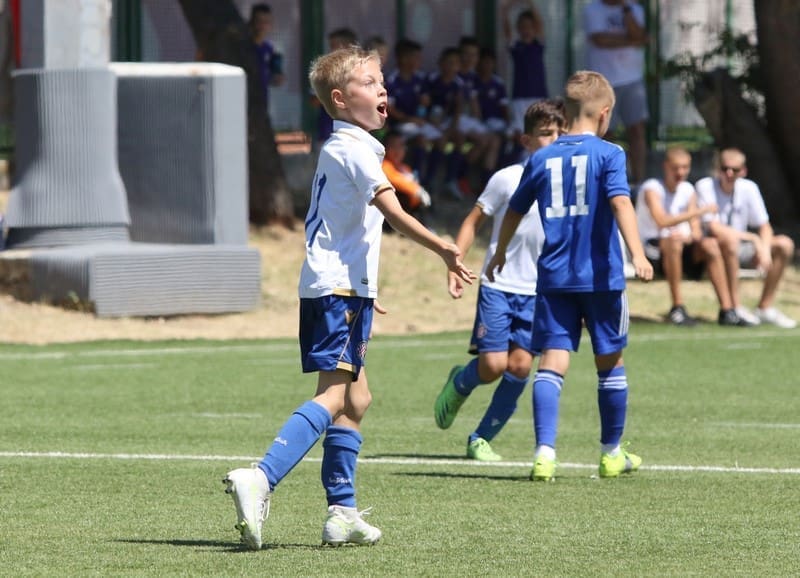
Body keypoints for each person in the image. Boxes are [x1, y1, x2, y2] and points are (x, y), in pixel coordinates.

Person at [223, 45, 476, 551]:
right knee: (335, 395)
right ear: (340, 99)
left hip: (343, 288)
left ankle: (341, 512)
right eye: (369, 82)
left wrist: (365, 289)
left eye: (382, 81)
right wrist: (444, 248)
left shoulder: (347, 148)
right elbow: (394, 212)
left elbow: (341, 227)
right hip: (337, 289)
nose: (383, 89)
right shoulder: (354, 149)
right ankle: (261, 476)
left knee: (357, 398)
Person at [485, 70, 654, 481]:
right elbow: (621, 203)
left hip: (554, 278)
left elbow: (514, 210)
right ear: (605, 113)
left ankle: (544, 454)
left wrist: (500, 251)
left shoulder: (542, 157)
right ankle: (611, 453)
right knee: (609, 362)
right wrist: (638, 253)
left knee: (551, 361)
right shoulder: (610, 154)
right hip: (601, 277)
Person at [433, 99, 565, 462]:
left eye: (558, 134)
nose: (552, 141)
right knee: (493, 366)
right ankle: (460, 382)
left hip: (539, 291)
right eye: (545, 134)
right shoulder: (507, 178)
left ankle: (480, 439)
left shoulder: (566, 184)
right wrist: (455, 262)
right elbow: (473, 221)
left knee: (520, 366)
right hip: (499, 284)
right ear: (526, 140)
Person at [695, 148, 797, 328]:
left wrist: (764, 249)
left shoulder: (749, 188)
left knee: (784, 244)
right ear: (718, 169)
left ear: (743, 171)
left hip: (740, 246)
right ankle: (735, 307)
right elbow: (715, 228)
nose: (729, 173)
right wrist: (753, 239)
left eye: (734, 170)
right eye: (725, 168)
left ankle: (764, 307)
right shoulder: (705, 186)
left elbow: (764, 225)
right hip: (713, 247)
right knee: (729, 242)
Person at [635, 146, 737, 326]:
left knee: (711, 245)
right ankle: (677, 307)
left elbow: (696, 231)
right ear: (666, 166)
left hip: (682, 247)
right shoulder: (652, 188)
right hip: (653, 251)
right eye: (676, 168)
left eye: (685, 167)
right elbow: (661, 221)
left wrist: (689, 236)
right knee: (673, 242)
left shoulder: (688, 190)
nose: (680, 172)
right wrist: (699, 211)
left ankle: (727, 310)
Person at [583, 0, 649, 186]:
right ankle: (604, 181)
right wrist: (633, 40)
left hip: (632, 80)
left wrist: (627, 11)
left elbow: (639, 33)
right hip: (603, 82)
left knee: (637, 130)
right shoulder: (593, 9)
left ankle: (639, 180)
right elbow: (600, 40)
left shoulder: (634, 9)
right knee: (605, 132)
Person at [501, 1, 549, 139]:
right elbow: (507, 31)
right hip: (520, 96)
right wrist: (505, 10)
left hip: (539, 94)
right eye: (523, 27)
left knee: (540, 130)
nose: (526, 30)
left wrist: (530, 4)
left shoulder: (538, 45)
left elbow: (540, 24)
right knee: (520, 130)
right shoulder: (515, 46)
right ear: (518, 28)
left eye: (530, 27)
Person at [381, 129, 432, 223]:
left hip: (412, 210)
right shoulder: (384, 164)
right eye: (393, 146)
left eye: (400, 146)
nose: (397, 150)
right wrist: (417, 190)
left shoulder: (405, 168)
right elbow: (394, 179)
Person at [248, 4, 284, 108]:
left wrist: (277, 79)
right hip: (243, 101)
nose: (262, 26)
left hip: (262, 103)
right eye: (259, 21)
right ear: (251, 22)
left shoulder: (270, 49)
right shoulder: (243, 48)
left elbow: (273, 77)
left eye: (266, 22)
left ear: (270, 25)